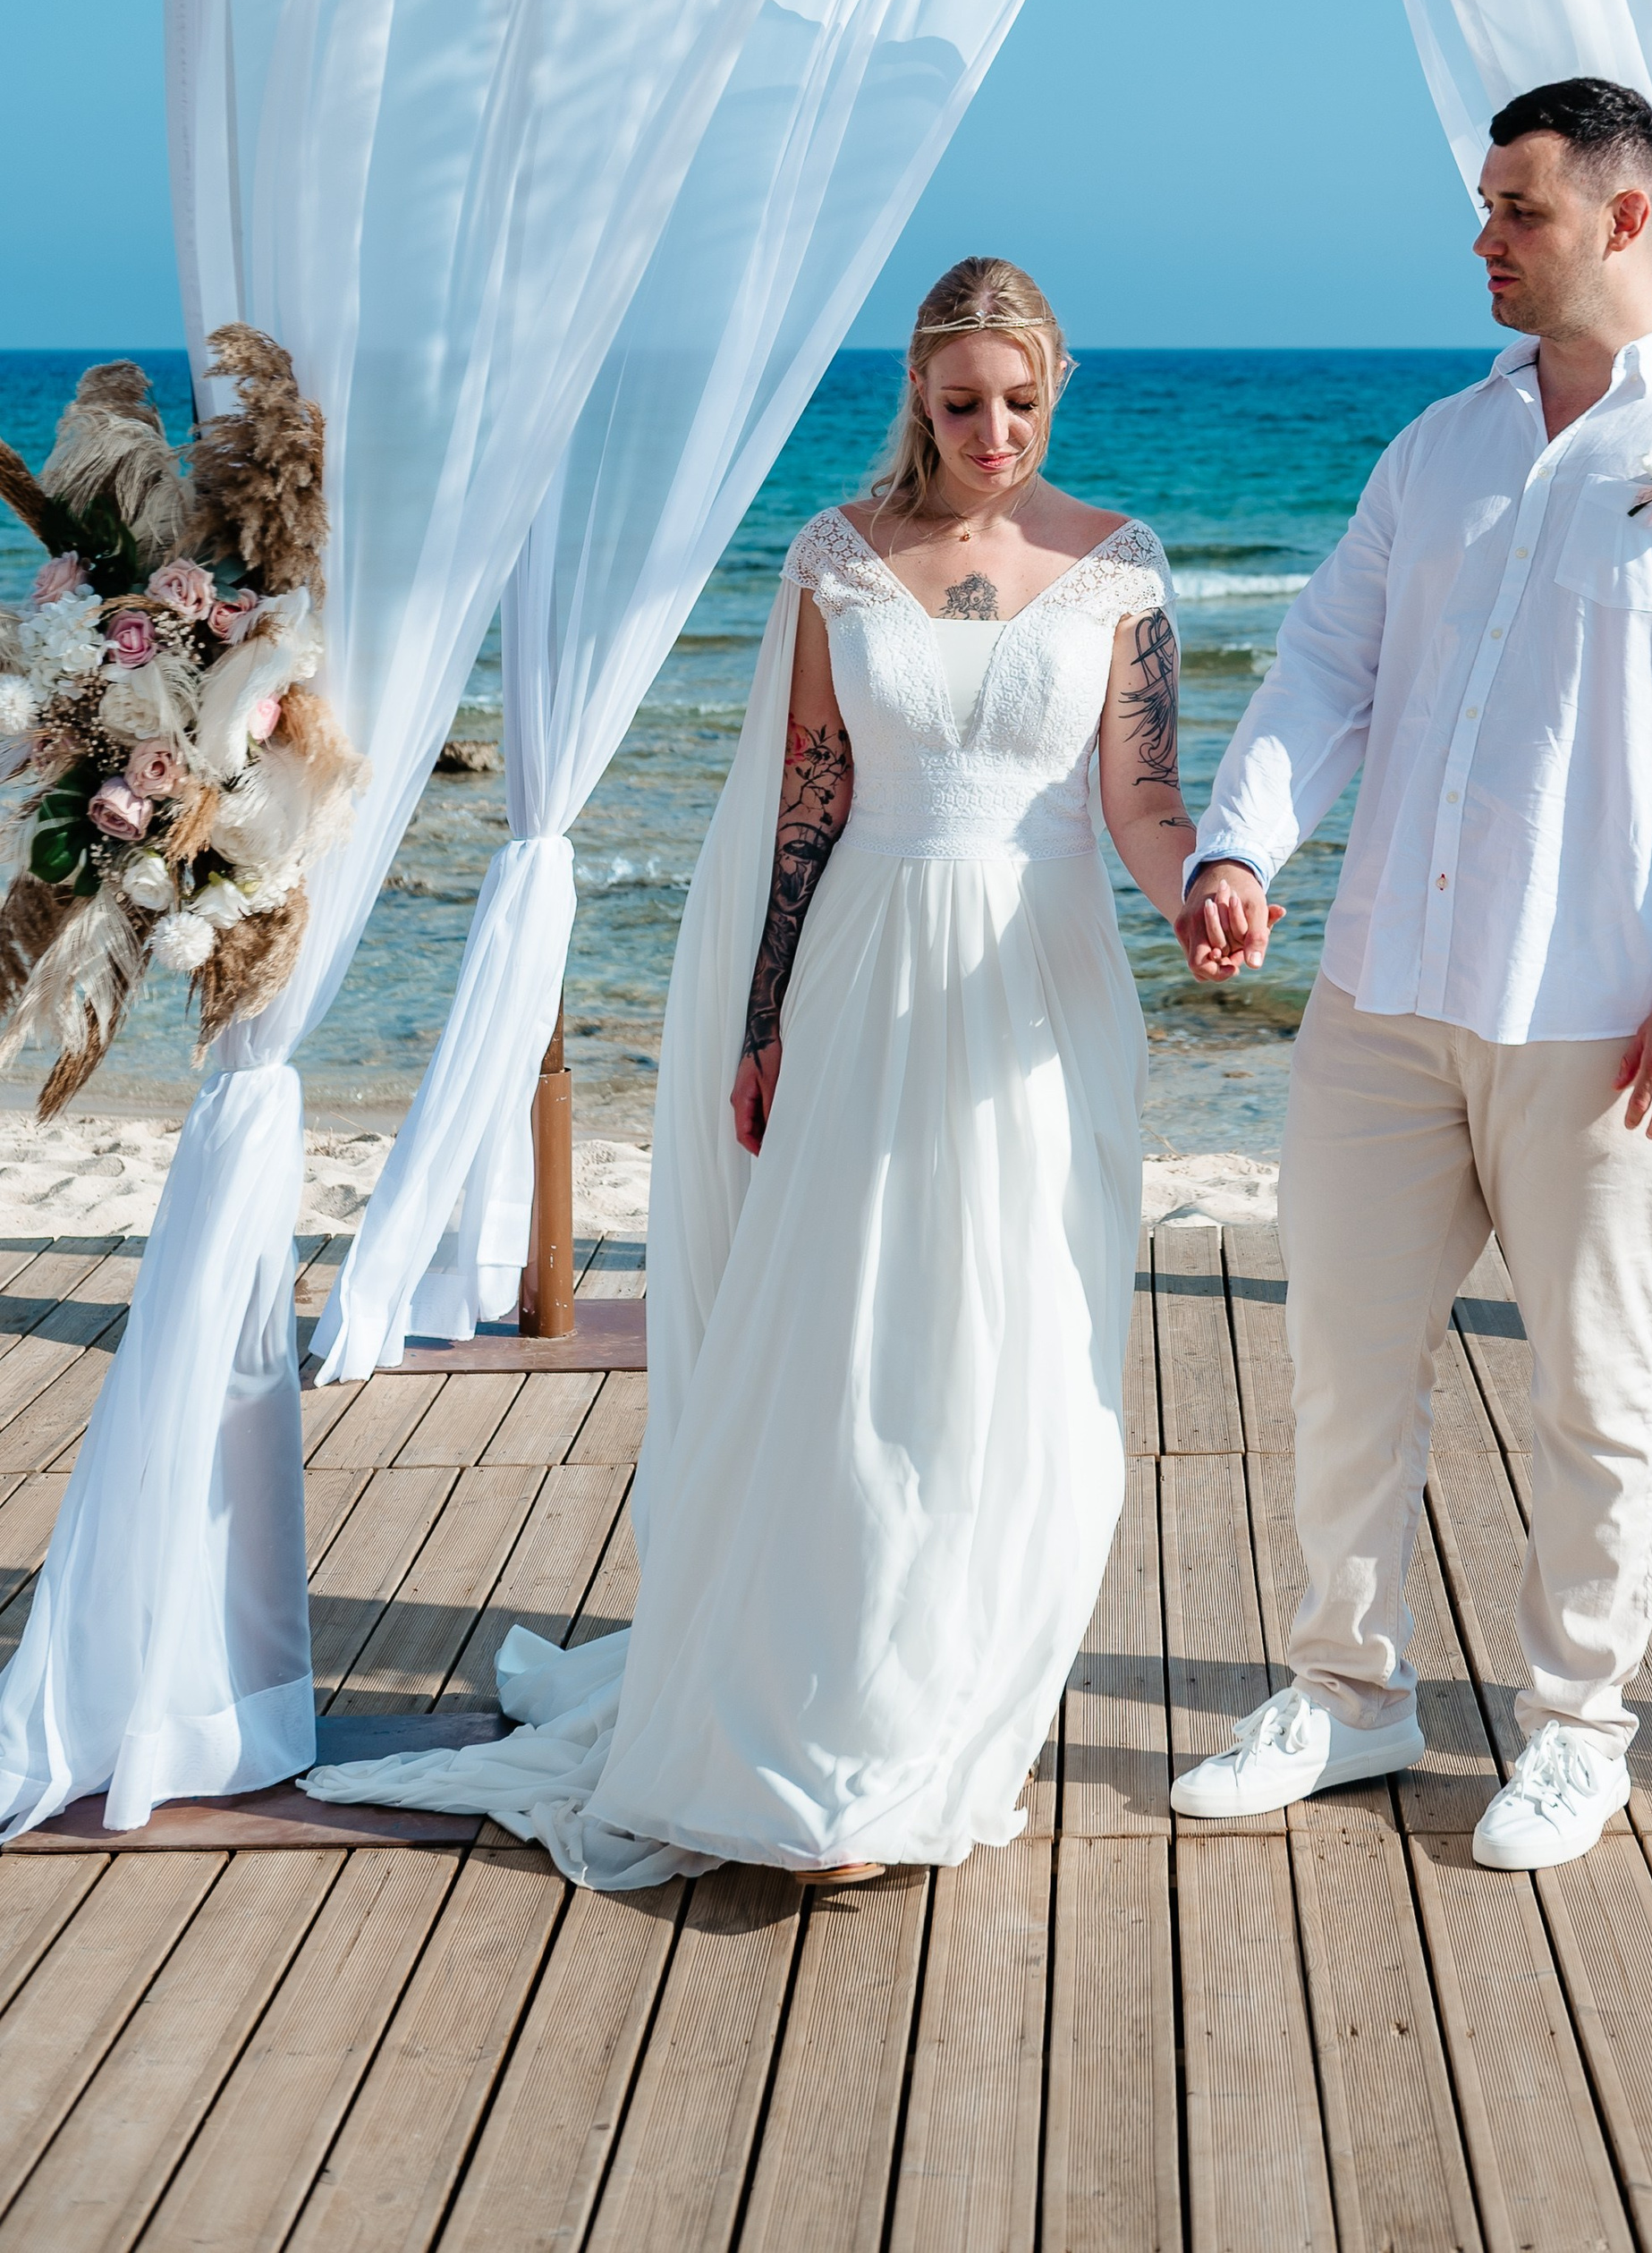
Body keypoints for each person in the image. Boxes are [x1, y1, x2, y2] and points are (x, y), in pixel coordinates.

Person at [306, 256, 1191, 1885]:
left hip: (1044, 994)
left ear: (1056, 388)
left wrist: (1204, 887)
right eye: (959, 402)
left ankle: (944, 1706)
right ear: (917, 400)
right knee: (853, 1347)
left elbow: (1141, 799)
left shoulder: (1118, 567)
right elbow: (806, 799)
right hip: (864, 979)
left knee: (1019, 1356)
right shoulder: (839, 562)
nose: (992, 430)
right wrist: (762, 1018)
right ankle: (819, 1724)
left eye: (1018, 400)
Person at [1171, 80, 1652, 1870]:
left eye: (1517, 210)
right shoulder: (1437, 447)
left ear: (1623, 218)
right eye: (1483, 207)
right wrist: (1239, 841)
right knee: (1341, 1357)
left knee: (1593, 1387)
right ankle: (1345, 1691)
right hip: (1387, 990)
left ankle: (1574, 1726)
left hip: (1613, 1016)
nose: (1483, 237)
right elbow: (1326, 662)